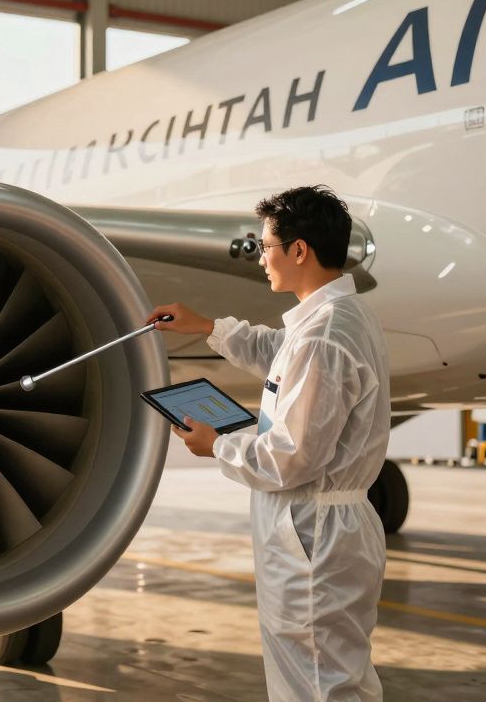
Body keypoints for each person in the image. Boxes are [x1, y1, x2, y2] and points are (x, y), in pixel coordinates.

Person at [147, 185, 390, 701]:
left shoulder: (324, 337)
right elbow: (281, 352)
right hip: (324, 528)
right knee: (329, 673)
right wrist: (208, 328)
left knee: (318, 682)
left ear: (299, 250)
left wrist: (217, 444)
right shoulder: (338, 319)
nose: (261, 258)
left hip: (312, 536)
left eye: (266, 247)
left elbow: (289, 458)